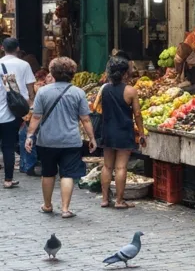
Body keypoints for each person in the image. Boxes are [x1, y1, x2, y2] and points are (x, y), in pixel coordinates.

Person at [24, 57, 96, 218]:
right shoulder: (78, 93)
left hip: (46, 140)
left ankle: (48, 205)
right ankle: (65, 209)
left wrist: (29, 136)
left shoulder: (43, 91)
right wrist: (92, 138)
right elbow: (85, 119)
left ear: (53, 73)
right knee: (68, 174)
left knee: (48, 173)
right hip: (70, 140)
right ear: (72, 73)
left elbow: (36, 117)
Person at [97, 55, 145, 209]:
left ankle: (105, 199)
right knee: (121, 167)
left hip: (107, 130)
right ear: (125, 74)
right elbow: (137, 114)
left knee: (107, 166)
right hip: (124, 131)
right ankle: (119, 200)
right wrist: (142, 134)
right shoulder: (131, 91)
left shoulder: (104, 89)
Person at [0, 37, 35, 189]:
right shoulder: (24, 64)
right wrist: (31, 104)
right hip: (12, 113)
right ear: (18, 48)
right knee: (8, 146)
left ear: (2, 48)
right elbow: (30, 89)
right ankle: (8, 180)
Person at [20, 68, 51, 176]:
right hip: (35, 117)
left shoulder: (42, 89)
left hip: (35, 117)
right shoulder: (40, 88)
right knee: (28, 137)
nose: (41, 82)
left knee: (28, 137)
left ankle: (27, 165)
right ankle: (28, 165)